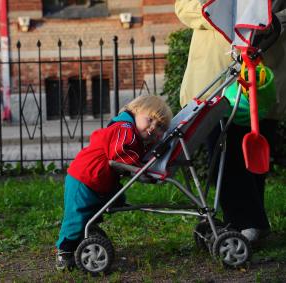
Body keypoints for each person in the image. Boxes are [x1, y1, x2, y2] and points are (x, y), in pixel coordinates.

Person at [175, 0, 286, 242]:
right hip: (214, 77)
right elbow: (184, 6)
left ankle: (248, 223)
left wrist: (274, 23)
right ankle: (245, 223)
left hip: (261, 75)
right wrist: (215, 15)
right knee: (222, 151)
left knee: (251, 154)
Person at [55, 95, 172, 270]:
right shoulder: (124, 128)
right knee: (76, 216)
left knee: (104, 205)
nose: (153, 128)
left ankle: (87, 232)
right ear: (135, 111)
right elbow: (119, 152)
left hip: (100, 180)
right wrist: (141, 168)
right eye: (150, 120)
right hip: (85, 177)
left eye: (160, 126)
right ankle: (64, 252)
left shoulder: (135, 134)